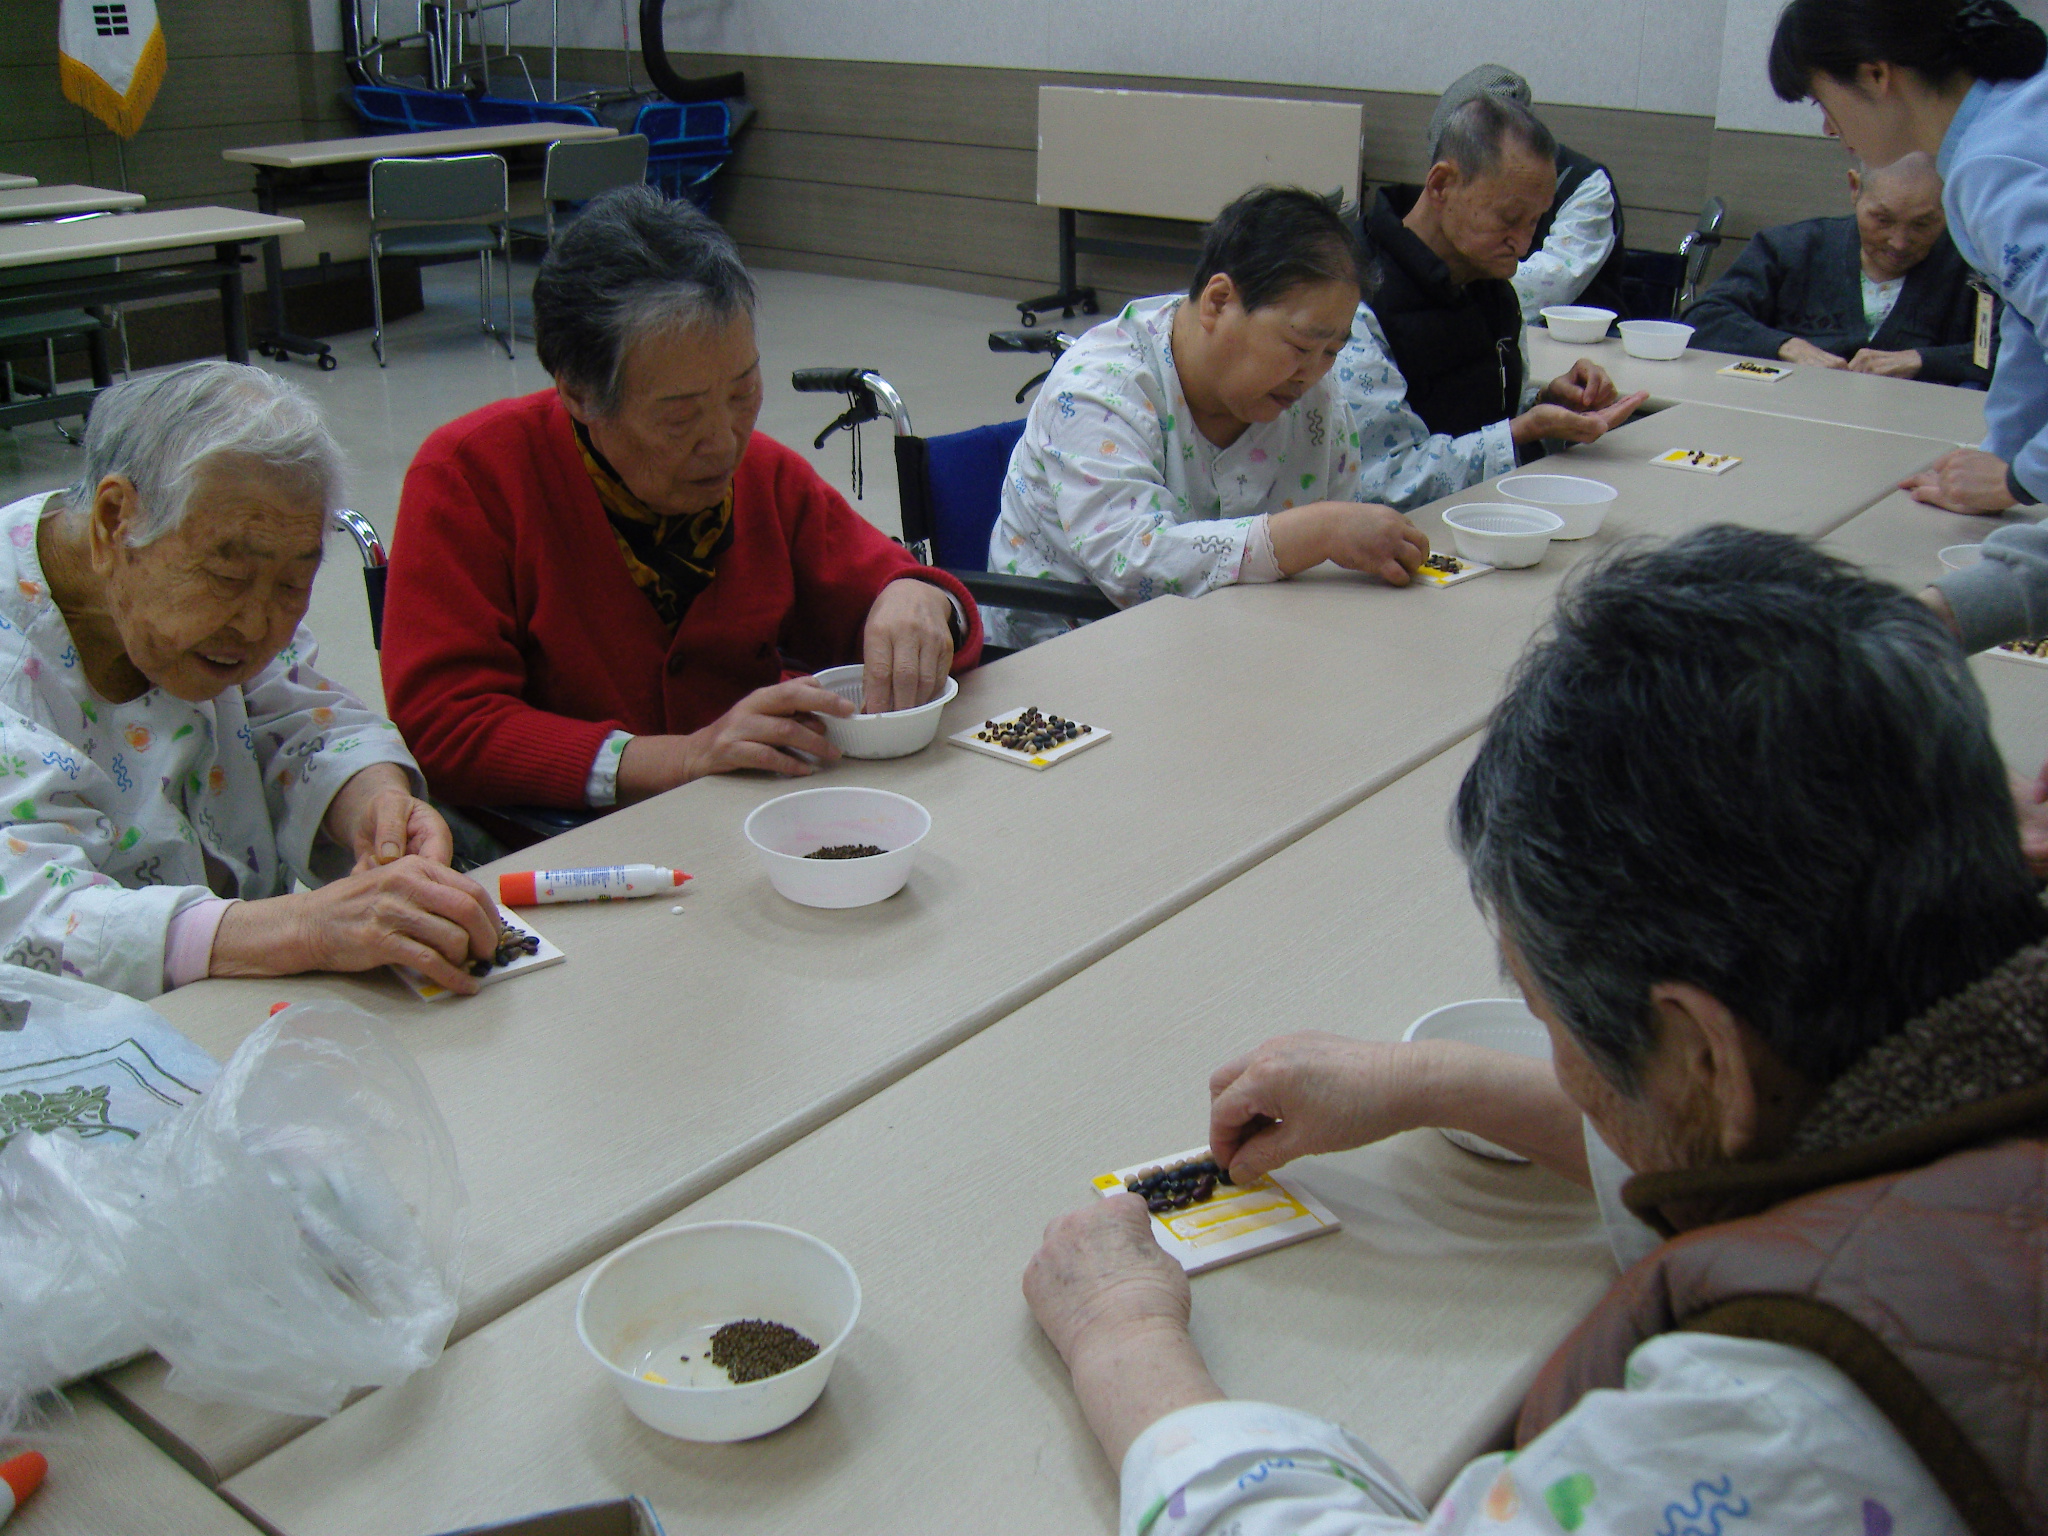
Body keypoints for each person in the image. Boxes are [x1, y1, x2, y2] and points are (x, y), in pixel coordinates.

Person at [1025, 527, 2041, 1533]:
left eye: (1544, 1018)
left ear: (1701, 1054)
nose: (1558, 1055)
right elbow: (1751, 1128)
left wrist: (1125, 1342)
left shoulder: (1786, 1431)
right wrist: (1434, 1082)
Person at [380, 186, 982, 810]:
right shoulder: (473, 478)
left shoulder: (762, 476)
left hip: (745, 818)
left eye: (743, 392)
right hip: (567, 844)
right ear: (579, 393)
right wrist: (683, 757)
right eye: (680, 416)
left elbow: (892, 589)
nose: (723, 442)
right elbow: (446, 725)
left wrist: (920, 598)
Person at [0, 362, 503, 1001]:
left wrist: (375, 807)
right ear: (112, 522)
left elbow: (295, 716)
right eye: (229, 578)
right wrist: (304, 928)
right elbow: (30, 914)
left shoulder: (223, 585)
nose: (259, 623)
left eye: (294, 583)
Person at [986, 186, 1430, 651]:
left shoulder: (1313, 396)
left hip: (1227, 644)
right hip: (1070, 657)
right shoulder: (1100, 387)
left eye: (1332, 351)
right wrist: (1317, 532)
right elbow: (1133, 565)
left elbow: (1328, 563)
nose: (1312, 374)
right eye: (1300, 346)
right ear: (1219, 301)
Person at [1769, 0, 2045, 517]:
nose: (1830, 128)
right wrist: (2000, 456)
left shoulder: (1995, 163)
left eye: (1820, 101)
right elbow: (2029, 329)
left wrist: (2020, 479)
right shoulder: (2012, 116)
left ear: (1875, 75)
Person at [1333, 93, 1647, 512]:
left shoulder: (1493, 289)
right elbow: (1380, 481)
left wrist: (1549, 408)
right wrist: (1521, 432)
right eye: (1509, 218)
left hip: (1487, 523)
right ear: (1442, 184)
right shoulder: (1352, 295)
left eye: (1535, 221)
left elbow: (1489, 420)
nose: (1522, 243)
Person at [1683, 153, 1989, 384]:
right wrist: (1785, 347)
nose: (1899, 242)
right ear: (1855, 188)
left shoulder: (1973, 268)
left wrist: (1921, 360)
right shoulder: (1791, 248)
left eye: (1923, 224)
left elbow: (2012, 353)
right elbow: (1704, 319)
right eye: (1882, 219)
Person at [1427, 64, 1629, 322]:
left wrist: (1441, 288)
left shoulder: (1584, 184)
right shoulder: (1444, 185)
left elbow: (1547, 286)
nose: (1521, 243)